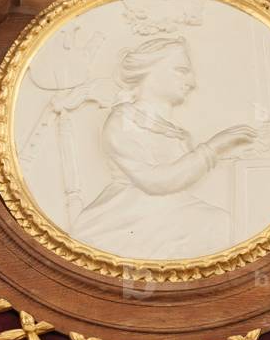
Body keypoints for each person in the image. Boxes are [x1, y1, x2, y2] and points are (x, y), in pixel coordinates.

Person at [73, 35, 258, 259]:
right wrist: (212, 149)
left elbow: (187, 175)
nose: (192, 82)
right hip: (129, 214)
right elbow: (156, 182)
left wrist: (227, 152)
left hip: (169, 207)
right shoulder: (124, 121)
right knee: (216, 222)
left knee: (224, 220)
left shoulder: (175, 131)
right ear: (149, 71)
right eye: (181, 70)